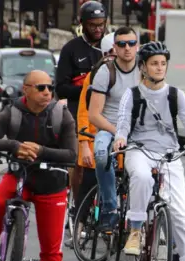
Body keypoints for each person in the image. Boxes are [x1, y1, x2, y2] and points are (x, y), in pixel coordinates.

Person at [113, 41, 185, 261]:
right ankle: (136, 229)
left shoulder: (176, 95)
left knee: (181, 214)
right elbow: (124, 121)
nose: (159, 68)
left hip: (169, 154)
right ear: (143, 67)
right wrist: (120, 138)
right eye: (154, 64)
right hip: (139, 149)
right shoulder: (132, 94)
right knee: (142, 177)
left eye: (163, 63)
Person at [0, 70, 77, 261]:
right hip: (20, 176)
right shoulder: (13, 111)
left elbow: (72, 154)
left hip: (52, 183)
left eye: (50, 88)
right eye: (41, 88)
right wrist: (14, 146)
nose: (47, 92)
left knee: (51, 251)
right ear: (26, 90)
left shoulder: (61, 114)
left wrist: (41, 150)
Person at [64, 31, 117, 248]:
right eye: (112, 51)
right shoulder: (95, 76)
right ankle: (78, 227)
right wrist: (84, 144)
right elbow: (84, 112)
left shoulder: (135, 75)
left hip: (122, 142)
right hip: (95, 138)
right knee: (88, 181)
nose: (117, 55)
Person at [56, 0, 107, 211]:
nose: (98, 29)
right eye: (93, 24)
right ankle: (77, 208)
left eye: (101, 24)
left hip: (107, 112)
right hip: (79, 111)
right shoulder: (71, 49)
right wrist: (89, 89)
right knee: (80, 163)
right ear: (82, 23)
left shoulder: (111, 48)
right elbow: (61, 87)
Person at [88, 26, 139, 231]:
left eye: (132, 43)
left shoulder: (144, 69)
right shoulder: (105, 71)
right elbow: (94, 114)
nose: (127, 48)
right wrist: (117, 132)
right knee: (101, 154)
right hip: (109, 126)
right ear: (115, 48)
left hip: (137, 127)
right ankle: (110, 208)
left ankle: (153, 212)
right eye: (121, 44)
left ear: (138, 46)